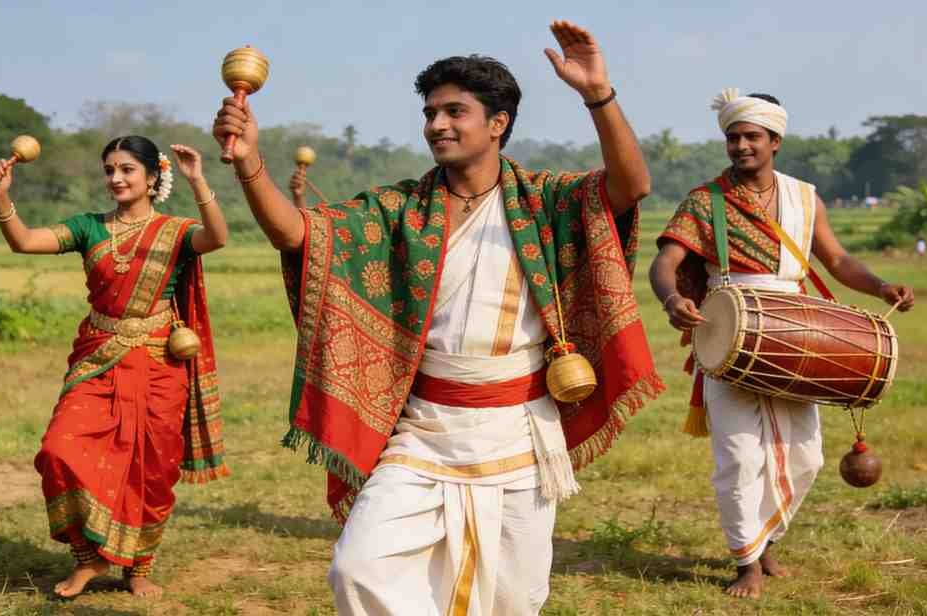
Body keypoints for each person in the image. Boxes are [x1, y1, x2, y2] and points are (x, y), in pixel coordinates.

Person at [213, 20, 661, 615]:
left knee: (514, 601)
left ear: (498, 123)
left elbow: (631, 187)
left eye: (455, 111)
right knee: (359, 569)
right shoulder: (398, 210)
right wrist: (248, 164)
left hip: (521, 431)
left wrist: (597, 95)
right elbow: (299, 233)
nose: (437, 125)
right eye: (430, 113)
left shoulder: (546, 201)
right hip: (423, 430)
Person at [649, 90, 915, 599]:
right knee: (740, 457)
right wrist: (669, 298)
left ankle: (765, 535)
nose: (741, 145)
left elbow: (836, 262)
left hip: (797, 334)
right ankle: (747, 560)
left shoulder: (803, 197)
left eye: (752, 136)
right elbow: (665, 262)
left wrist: (881, 286)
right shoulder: (705, 200)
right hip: (727, 334)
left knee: (806, 458)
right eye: (733, 137)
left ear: (775, 141)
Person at [0, 136, 230, 598]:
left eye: (127, 170)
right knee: (60, 449)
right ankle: (87, 559)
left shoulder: (175, 231)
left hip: (158, 365)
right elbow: (25, 242)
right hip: (98, 358)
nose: (115, 178)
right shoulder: (89, 227)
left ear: (152, 177)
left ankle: (138, 568)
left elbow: (215, 237)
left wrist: (198, 180)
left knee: (150, 468)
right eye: (109, 170)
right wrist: (1, 197)